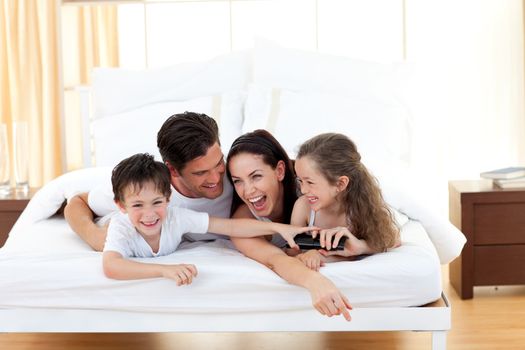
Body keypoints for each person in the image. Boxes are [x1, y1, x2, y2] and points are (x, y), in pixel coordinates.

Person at [103, 153, 309, 282]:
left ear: (168, 198)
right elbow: (111, 266)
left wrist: (278, 228)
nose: (149, 214)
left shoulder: (176, 217)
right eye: (138, 205)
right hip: (106, 218)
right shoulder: (120, 225)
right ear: (121, 206)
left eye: (157, 203)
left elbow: (230, 227)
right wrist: (163, 271)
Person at [226, 130, 353, 321]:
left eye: (256, 176)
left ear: (279, 171)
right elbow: (275, 259)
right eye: (238, 181)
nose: (248, 190)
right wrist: (315, 282)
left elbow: (362, 221)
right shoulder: (242, 223)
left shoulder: (310, 190)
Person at [64, 112, 233, 252]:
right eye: (200, 173)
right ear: (173, 170)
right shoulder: (149, 187)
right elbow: (78, 202)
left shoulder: (239, 175)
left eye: (219, 163)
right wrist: (93, 236)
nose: (216, 178)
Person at [291, 133, 400, 271]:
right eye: (300, 180)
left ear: (340, 184)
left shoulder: (358, 208)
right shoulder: (303, 207)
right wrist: (312, 254)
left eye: (310, 182)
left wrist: (360, 247)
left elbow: (393, 239)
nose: (303, 189)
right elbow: (292, 252)